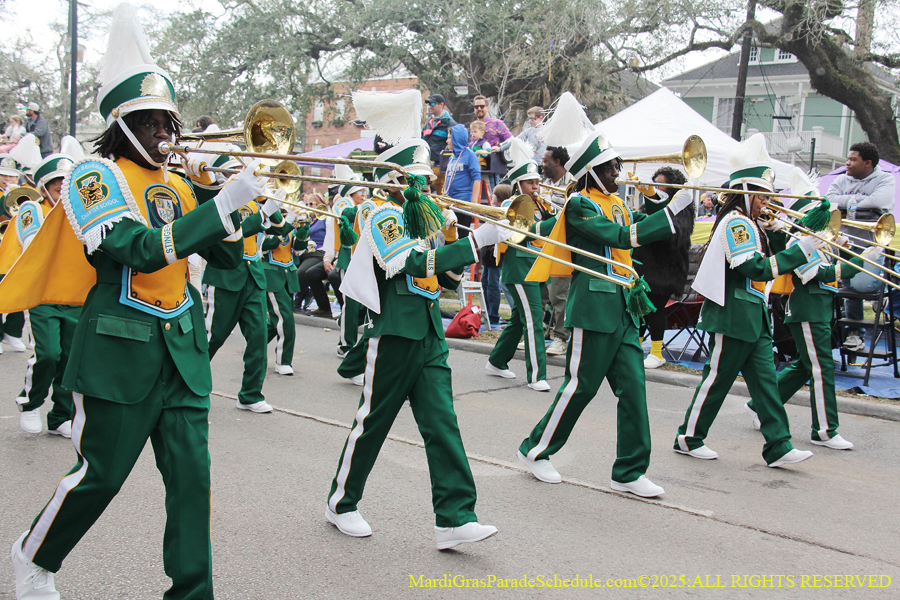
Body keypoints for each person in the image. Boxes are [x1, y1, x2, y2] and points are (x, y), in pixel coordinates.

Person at [9, 5, 258, 597]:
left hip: (182, 352)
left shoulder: (177, 181)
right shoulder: (92, 177)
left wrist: (240, 210)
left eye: (168, 123)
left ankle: (192, 593)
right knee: (100, 477)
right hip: (120, 352)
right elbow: (135, 248)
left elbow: (227, 262)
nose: (166, 136)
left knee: (193, 483)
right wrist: (217, 210)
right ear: (122, 125)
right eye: (150, 124)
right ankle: (35, 556)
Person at [327, 136, 506, 549]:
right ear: (395, 179)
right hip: (393, 332)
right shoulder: (379, 214)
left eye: (428, 181)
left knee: (443, 426)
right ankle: (340, 504)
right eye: (419, 181)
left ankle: (455, 518)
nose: (427, 188)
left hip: (428, 333)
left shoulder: (418, 217)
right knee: (371, 424)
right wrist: (475, 241)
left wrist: (459, 246)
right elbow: (407, 262)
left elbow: (442, 279)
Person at [516, 123, 694, 498]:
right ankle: (535, 450)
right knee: (580, 388)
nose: (618, 172)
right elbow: (619, 237)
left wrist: (673, 206)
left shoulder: (617, 204)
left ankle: (629, 470)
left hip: (624, 306)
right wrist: (671, 210)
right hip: (594, 306)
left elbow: (638, 229)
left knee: (634, 389)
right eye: (611, 167)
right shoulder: (581, 203)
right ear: (593, 171)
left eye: (617, 165)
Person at [677, 133, 823, 468]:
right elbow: (752, 266)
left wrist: (791, 234)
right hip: (732, 313)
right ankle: (689, 437)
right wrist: (801, 250)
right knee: (716, 381)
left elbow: (770, 254)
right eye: (760, 196)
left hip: (753, 314)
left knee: (767, 384)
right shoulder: (736, 222)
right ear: (744, 192)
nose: (766, 202)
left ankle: (779, 446)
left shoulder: (752, 224)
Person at [746, 168, 869, 451]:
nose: (827, 222)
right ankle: (825, 430)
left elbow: (834, 269)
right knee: (821, 367)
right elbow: (819, 274)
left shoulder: (819, 242)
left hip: (821, 309)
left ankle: (760, 405)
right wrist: (863, 260)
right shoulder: (798, 242)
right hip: (806, 310)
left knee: (805, 365)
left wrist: (849, 249)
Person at [0, 154, 80, 438]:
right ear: (45, 186)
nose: (63, 187)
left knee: (71, 359)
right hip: (44, 298)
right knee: (48, 354)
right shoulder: (32, 209)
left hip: (77, 297)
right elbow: (36, 242)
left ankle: (60, 415)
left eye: (68, 183)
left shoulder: (82, 211)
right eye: (57, 183)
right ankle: (30, 403)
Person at [204, 186, 293, 411]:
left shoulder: (256, 202)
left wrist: (272, 203)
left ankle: (250, 394)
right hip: (227, 276)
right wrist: (262, 214)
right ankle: (181, 386)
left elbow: (280, 229)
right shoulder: (223, 198)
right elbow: (232, 232)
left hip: (254, 276)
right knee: (212, 338)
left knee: (258, 337)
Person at [485, 148, 555, 392]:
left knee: (519, 319)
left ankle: (496, 361)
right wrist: (556, 218)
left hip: (535, 267)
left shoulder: (538, 203)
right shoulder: (510, 204)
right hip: (520, 269)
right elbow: (527, 232)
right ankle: (537, 376)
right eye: (530, 182)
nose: (536, 185)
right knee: (534, 321)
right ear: (517, 184)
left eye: (537, 181)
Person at [825, 142, 895, 352]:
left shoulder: (885, 179)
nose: (847, 163)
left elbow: (879, 201)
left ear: (868, 163)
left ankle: (878, 297)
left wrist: (847, 205)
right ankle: (854, 334)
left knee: (864, 287)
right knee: (848, 288)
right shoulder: (840, 179)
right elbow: (829, 200)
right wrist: (863, 203)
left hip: (871, 246)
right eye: (848, 158)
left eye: (853, 159)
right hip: (846, 244)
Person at [632, 166, 695, 369]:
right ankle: (636, 347)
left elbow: (672, 236)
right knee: (640, 308)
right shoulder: (649, 206)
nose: (655, 187)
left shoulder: (682, 209)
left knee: (655, 309)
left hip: (665, 269)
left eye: (660, 184)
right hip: (645, 267)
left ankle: (657, 352)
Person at [262, 210, 305, 376]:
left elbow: (298, 249)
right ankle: (283, 361)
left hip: (288, 275)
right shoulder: (262, 225)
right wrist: (284, 227)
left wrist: (303, 230)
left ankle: (254, 346)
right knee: (285, 319)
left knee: (275, 321)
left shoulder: (289, 227)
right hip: (271, 275)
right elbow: (268, 244)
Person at [541, 145, 574, 355]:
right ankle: (539, 334)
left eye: (545, 161)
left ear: (557, 162)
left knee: (560, 295)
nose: (542, 165)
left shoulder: (572, 184)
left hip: (563, 246)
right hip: (544, 244)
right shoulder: (543, 185)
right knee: (541, 294)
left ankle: (561, 338)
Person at [295, 193, 334, 317]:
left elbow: (331, 238)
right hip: (304, 252)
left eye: (311, 204)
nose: (308, 206)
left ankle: (298, 300)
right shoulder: (308, 219)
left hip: (319, 252)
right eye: (306, 204)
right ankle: (305, 293)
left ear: (319, 205)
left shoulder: (326, 218)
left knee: (301, 272)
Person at [444, 123, 481, 237]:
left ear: (457, 138)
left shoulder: (470, 155)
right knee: (450, 235)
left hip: (463, 203)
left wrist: (473, 202)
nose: (447, 141)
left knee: (461, 235)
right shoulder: (452, 156)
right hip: (451, 203)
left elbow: (476, 178)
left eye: (450, 138)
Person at [472, 95, 511, 188]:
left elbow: (511, 140)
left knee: (492, 196)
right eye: (476, 107)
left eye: (482, 106)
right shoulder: (473, 126)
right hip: (475, 167)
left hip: (492, 168)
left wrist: (500, 148)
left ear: (487, 107)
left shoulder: (497, 123)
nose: (479, 109)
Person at [421, 93, 456, 192]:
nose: (430, 106)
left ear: (441, 104)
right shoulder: (428, 123)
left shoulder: (450, 124)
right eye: (429, 104)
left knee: (442, 197)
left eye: (432, 104)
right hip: (427, 166)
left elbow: (454, 147)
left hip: (442, 168)